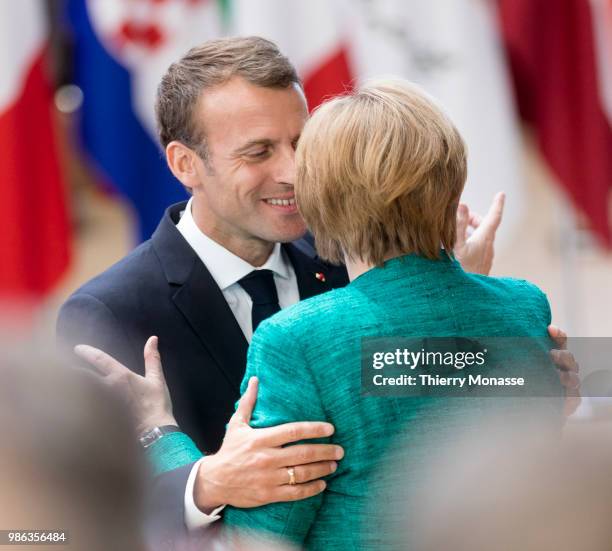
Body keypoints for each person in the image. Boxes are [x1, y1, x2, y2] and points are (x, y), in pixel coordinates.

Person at [57, 36, 511, 537]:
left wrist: (488, 342)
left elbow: (411, 420)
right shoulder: (110, 312)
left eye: (301, 143)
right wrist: (202, 485)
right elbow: (75, 516)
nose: (294, 171)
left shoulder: (355, 259)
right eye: (259, 152)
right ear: (185, 164)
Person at [140, 79, 570, 548]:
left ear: (321, 196)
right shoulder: (525, 306)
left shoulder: (299, 341)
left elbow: (255, 542)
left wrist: (162, 437)